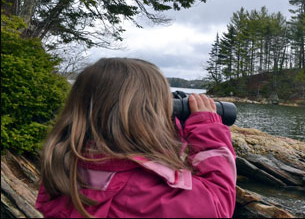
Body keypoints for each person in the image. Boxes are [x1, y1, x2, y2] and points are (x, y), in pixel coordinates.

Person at [35, 58, 236, 218]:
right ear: (151, 118)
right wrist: (207, 128)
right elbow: (219, 204)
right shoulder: (149, 192)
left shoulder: (64, 169)